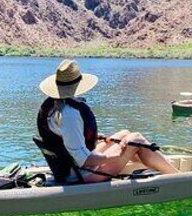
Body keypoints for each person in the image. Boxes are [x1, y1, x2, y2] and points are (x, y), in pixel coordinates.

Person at [37, 59, 179, 183]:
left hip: (71, 167)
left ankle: (160, 163)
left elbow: (67, 138)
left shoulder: (54, 106)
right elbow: (83, 160)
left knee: (125, 134)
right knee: (137, 140)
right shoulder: (70, 114)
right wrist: (115, 155)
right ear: (78, 82)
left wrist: (94, 138)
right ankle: (177, 177)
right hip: (83, 174)